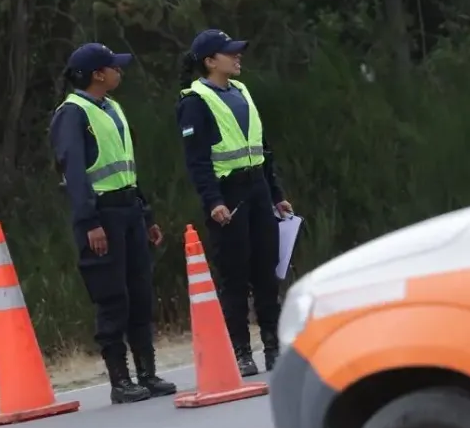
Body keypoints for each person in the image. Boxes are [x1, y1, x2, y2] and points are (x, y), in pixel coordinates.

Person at [49, 43, 178, 404]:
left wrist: (145, 213)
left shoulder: (113, 108)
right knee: (112, 297)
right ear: (97, 74)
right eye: (113, 67)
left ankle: (147, 374)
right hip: (101, 215)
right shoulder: (73, 113)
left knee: (139, 293)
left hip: (128, 211)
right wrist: (89, 222)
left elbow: (126, 167)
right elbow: (74, 173)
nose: (119, 72)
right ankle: (120, 380)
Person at [175, 29, 293, 376]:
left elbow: (262, 148)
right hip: (228, 196)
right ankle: (241, 351)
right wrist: (212, 201)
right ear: (210, 61)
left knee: (267, 270)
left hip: (256, 188)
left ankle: (273, 345)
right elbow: (196, 160)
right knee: (235, 275)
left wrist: (276, 194)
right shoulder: (194, 102)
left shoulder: (242, 91)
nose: (238, 57)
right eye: (230, 53)